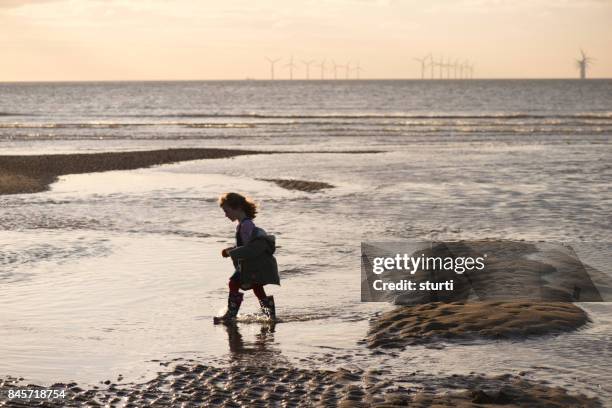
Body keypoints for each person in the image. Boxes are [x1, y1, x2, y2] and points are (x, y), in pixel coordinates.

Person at [214, 192, 280, 324]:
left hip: (252, 264)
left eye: (226, 211)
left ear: (237, 208)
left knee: (234, 283)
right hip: (250, 264)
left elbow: (251, 247)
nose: (226, 215)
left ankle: (231, 315)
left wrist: (232, 252)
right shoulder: (242, 225)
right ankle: (270, 315)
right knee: (257, 287)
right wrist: (231, 249)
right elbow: (245, 245)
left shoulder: (246, 225)